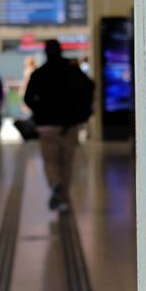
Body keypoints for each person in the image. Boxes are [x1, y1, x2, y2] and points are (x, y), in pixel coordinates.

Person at [23, 39, 95, 213]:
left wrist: (40, 111)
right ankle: (63, 200)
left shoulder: (39, 74)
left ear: (46, 53)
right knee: (67, 163)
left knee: (50, 161)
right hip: (69, 126)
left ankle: (55, 184)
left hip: (47, 126)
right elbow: (90, 86)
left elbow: (27, 98)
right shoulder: (72, 70)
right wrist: (81, 111)